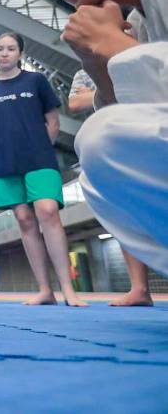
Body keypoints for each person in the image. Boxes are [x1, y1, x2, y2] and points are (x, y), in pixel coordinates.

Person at [31, 0, 168, 277]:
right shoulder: (143, 19)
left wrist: (115, 47)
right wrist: (98, 63)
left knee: (103, 138)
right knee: (101, 149)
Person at [0, 32, 85, 306]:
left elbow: (53, 121)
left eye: (11, 49)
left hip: (40, 158)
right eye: (0, 49)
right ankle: (45, 290)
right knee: (24, 219)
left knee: (47, 211)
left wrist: (37, 146)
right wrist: (3, 149)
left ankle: (68, 289)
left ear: (20, 53)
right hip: (4, 162)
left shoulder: (36, 81)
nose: (5, 53)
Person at [68, 68, 153, 307]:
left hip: (147, 137)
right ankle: (139, 288)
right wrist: (108, 94)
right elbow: (74, 102)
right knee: (125, 216)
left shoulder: (133, 56)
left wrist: (96, 94)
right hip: (114, 145)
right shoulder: (85, 71)